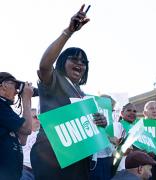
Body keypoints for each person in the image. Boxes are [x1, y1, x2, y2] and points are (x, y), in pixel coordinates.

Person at [30, 5, 107, 180]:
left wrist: (100, 123)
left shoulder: (83, 94)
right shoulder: (54, 79)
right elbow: (44, 65)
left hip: (79, 157)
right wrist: (68, 31)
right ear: (63, 61)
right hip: (51, 154)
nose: (79, 63)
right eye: (74, 59)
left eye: (83, 61)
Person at [0, 72, 33, 180]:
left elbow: (23, 139)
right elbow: (27, 129)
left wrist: (28, 102)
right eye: (15, 86)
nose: (17, 91)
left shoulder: (6, 109)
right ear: (4, 85)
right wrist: (26, 99)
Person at [90, 94, 117, 180]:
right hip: (95, 161)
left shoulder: (115, 123)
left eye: (111, 109)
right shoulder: (92, 118)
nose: (110, 111)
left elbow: (115, 145)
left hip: (109, 159)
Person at [20, 108, 40, 180]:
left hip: (40, 171)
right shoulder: (20, 134)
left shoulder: (44, 134)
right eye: (35, 117)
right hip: (25, 169)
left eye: (39, 117)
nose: (38, 119)